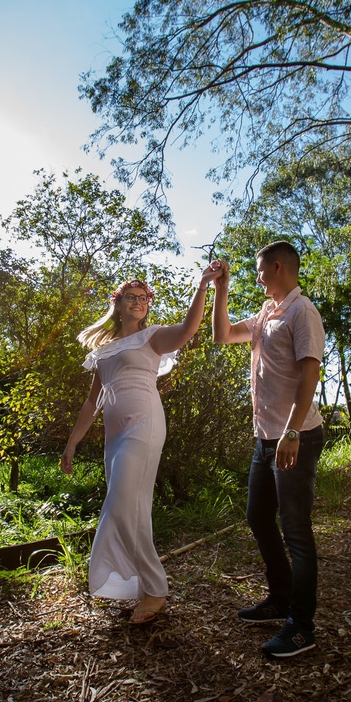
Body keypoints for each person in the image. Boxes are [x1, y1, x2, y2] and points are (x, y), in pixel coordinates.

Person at [62, 267, 221, 624]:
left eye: (144, 298)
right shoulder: (103, 351)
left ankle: (155, 590)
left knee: (122, 504)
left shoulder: (152, 337)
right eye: (131, 297)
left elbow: (189, 329)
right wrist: (72, 444)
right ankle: (143, 587)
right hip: (115, 436)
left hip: (144, 425)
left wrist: (202, 286)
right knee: (127, 508)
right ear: (117, 304)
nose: (138, 302)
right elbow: (92, 402)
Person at [211, 241, 325, 658]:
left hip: (296, 436)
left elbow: (310, 371)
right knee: (258, 516)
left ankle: (302, 627)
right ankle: (280, 598)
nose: (257, 278)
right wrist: (221, 289)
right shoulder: (265, 314)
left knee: (296, 530)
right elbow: (222, 335)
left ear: (277, 267)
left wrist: (292, 431)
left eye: (260, 271)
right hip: (266, 438)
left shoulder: (302, 311)